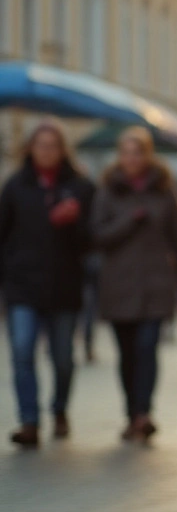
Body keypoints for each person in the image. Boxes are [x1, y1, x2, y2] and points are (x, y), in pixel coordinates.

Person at [92, 126, 177, 442]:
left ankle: (144, 413)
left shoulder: (163, 190)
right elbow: (97, 236)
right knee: (127, 354)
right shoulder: (108, 190)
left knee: (148, 347)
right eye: (125, 153)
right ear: (119, 157)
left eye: (137, 152)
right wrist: (129, 220)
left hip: (155, 284)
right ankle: (131, 412)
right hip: (119, 286)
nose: (131, 158)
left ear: (147, 155)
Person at [0, 120, 96, 447]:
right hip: (22, 286)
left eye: (52, 145)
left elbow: (90, 242)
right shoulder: (15, 186)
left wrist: (72, 223)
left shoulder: (81, 187)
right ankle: (29, 422)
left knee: (63, 358)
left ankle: (59, 410)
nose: (46, 151)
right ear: (30, 149)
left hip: (64, 288)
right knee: (22, 352)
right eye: (41, 145)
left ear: (62, 150)